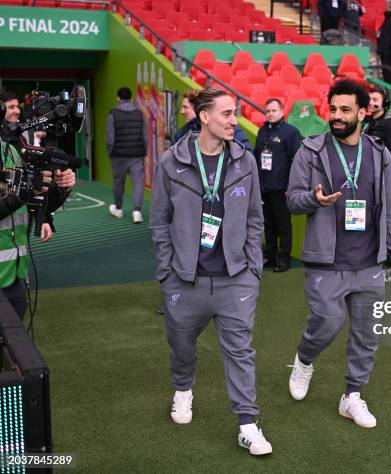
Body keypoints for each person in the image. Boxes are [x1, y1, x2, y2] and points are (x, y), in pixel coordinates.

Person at [150, 87, 271, 455]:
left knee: (240, 351)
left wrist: (252, 267)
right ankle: (183, 389)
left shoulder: (244, 161)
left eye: (235, 114)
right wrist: (168, 271)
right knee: (182, 345)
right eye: (227, 114)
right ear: (204, 117)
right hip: (185, 279)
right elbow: (159, 223)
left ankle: (248, 423)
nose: (235, 121)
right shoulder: (171, 162)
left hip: (236, 279)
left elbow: (254, 218)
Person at [286, 79, 391, 428]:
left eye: (345, 110)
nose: (337, 116)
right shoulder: (310, 151)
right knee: (327, 321)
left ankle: (352, 396)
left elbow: (387, 206)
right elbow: (292, 200)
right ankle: (304, 359)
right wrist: (315, 199)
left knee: (367, 333)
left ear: (363, 112)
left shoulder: (379, 152)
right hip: (327, 260)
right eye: (333, 109)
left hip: (369, 260)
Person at [0, 92, 76, 319]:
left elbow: (25, 199)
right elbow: (18, 195)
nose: (13, 112)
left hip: (15, 275)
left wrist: (60, 191)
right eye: (8, 107)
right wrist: (26, 191)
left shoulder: (10, 151)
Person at [254, 98, 302, 272]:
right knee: (268, 224)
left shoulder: (291, 133)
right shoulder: (262, 131)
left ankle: (283, 259)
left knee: (283, 225)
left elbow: (296, 161)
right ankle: (270, 255)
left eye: (274, 110)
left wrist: (291, 185)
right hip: (264, 186)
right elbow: (257, 156)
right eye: (267, 111)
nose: (270, 114)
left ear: (282, 111)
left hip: (282, 188)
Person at [106, 87, 147, 224]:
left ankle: (118, 208)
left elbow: (110, 139)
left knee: (118, 182)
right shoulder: (140, 114)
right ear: (131, 97)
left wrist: (110, 153)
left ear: (118, 98)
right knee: (138, 183)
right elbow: (145, 137)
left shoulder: (113, 115)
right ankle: (137, 211)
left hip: (119, 156)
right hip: (136, 155)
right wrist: (143, 151)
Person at [174, 90, 254, 153]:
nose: (182, 111)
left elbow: (247, 157)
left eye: (185, 107)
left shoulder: (231, 129)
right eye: (226, 114)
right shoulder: (182, 133)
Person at [363, 85, 391, 167]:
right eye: (369, 99)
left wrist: (377, 167)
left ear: (385, 103)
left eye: (375, 100)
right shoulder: (365, 121)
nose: (370, 103)